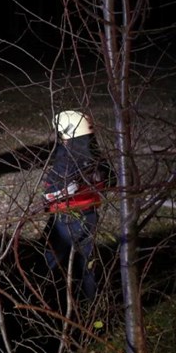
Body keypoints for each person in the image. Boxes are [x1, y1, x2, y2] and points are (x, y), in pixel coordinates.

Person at [43, 110, 107, 302]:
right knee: (86, 262)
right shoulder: (92, 154)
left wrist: (59, 193)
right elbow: (110, 178)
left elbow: (49, 193)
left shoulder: (67, 159)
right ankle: (90, 304)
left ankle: (47, 300)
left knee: (52, 258)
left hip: (67, 217)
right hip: (90, 214)